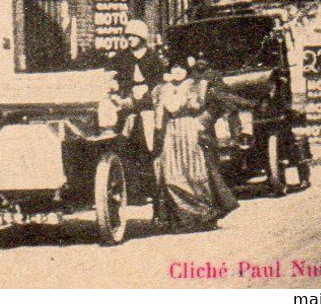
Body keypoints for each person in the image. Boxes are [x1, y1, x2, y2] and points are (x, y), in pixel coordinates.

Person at [153, 58, 251, 232]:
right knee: (170, 177)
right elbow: (154, 110)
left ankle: (204, 216)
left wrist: (202, 122)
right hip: (171, 134)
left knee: (196, 175)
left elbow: (219, 104)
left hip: (191, 131)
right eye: (174, 67)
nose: (177, 71)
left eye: (181, 67)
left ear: (187, 70)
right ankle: (182, 220)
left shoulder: (198, 85)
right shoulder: (162, 89)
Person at [107, 19, 166, 149]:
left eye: (133, 36)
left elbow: (158, 82)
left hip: (149, 101)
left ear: (141, 37)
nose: (130, 39)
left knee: (150, 127)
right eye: (128, 36)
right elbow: (116, 77)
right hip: (127, 99)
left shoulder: (152, 57)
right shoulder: (122, 57)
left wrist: (147, 91)